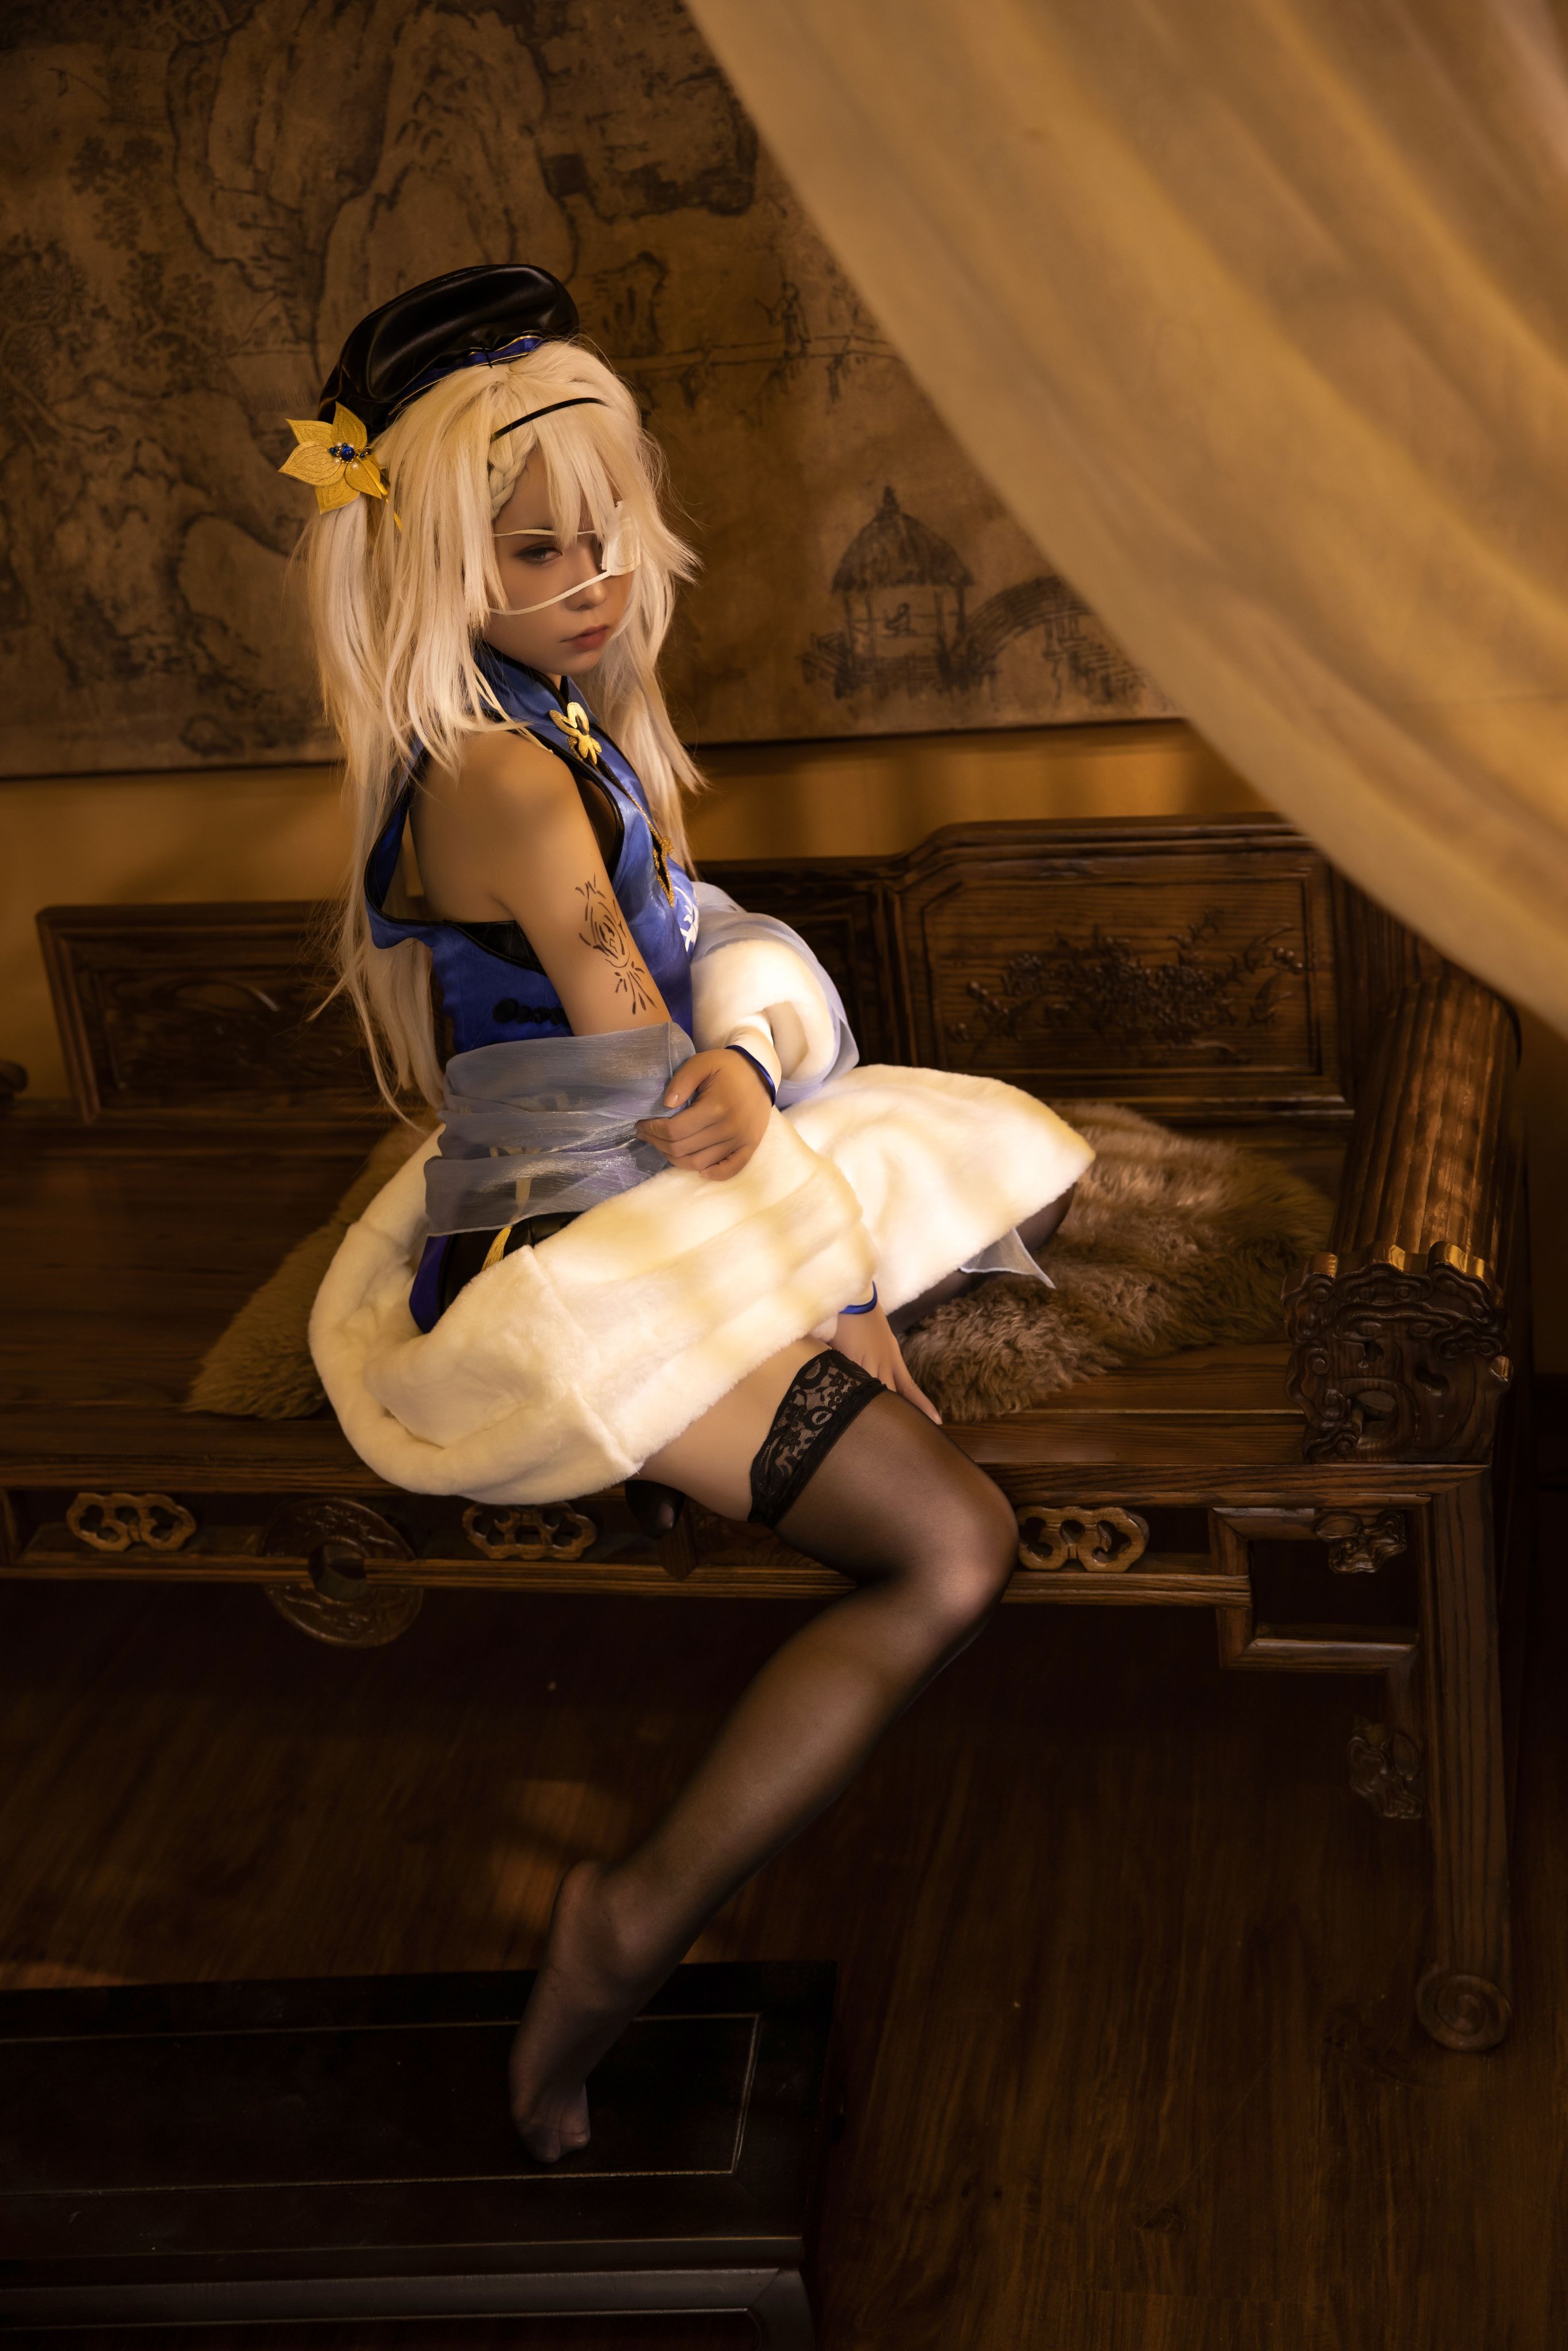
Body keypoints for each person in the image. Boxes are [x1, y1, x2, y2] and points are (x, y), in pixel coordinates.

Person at [287, 265, 1092, 2161]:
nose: (594, 580)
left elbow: (689, 969)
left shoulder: (554, 723)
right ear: (432, 568)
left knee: (967, 1248)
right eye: (536, 552)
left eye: (609, 536)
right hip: (573, 1246)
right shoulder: (506, 774)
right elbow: (648, 1098)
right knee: (949, 1547)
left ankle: (629, 1915)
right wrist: (837, 1300)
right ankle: (625, 1922)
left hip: (645, 1167)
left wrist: (744, 1050)